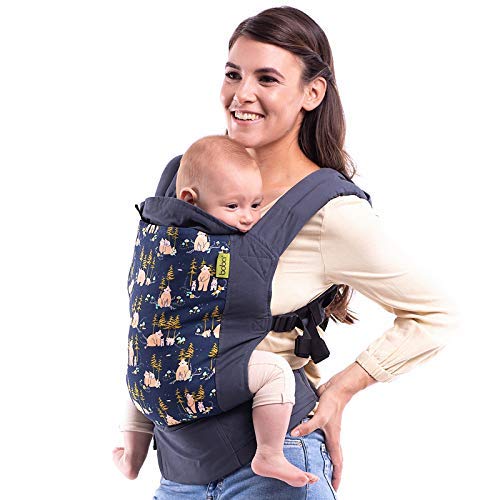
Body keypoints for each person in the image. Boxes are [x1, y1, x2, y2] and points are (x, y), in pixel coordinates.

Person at [113, 6, 457, 498]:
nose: (242, 94)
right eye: (233, 74)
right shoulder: (184, 176)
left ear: (312, 94)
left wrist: (340, 391)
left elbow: (436, 313)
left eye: (267, 79)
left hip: (276, 467)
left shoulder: (329, 211)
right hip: (179, 471)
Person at [115, 133, 320, 487]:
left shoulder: (154, 231)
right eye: (233, 206)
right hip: (198, 375)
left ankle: (132, 457)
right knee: (276, 372)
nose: (248, 218)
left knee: (147, 372)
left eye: (256, 205)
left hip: (143, 380)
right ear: (189, 200)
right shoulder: (215, 246)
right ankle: (269, 453)